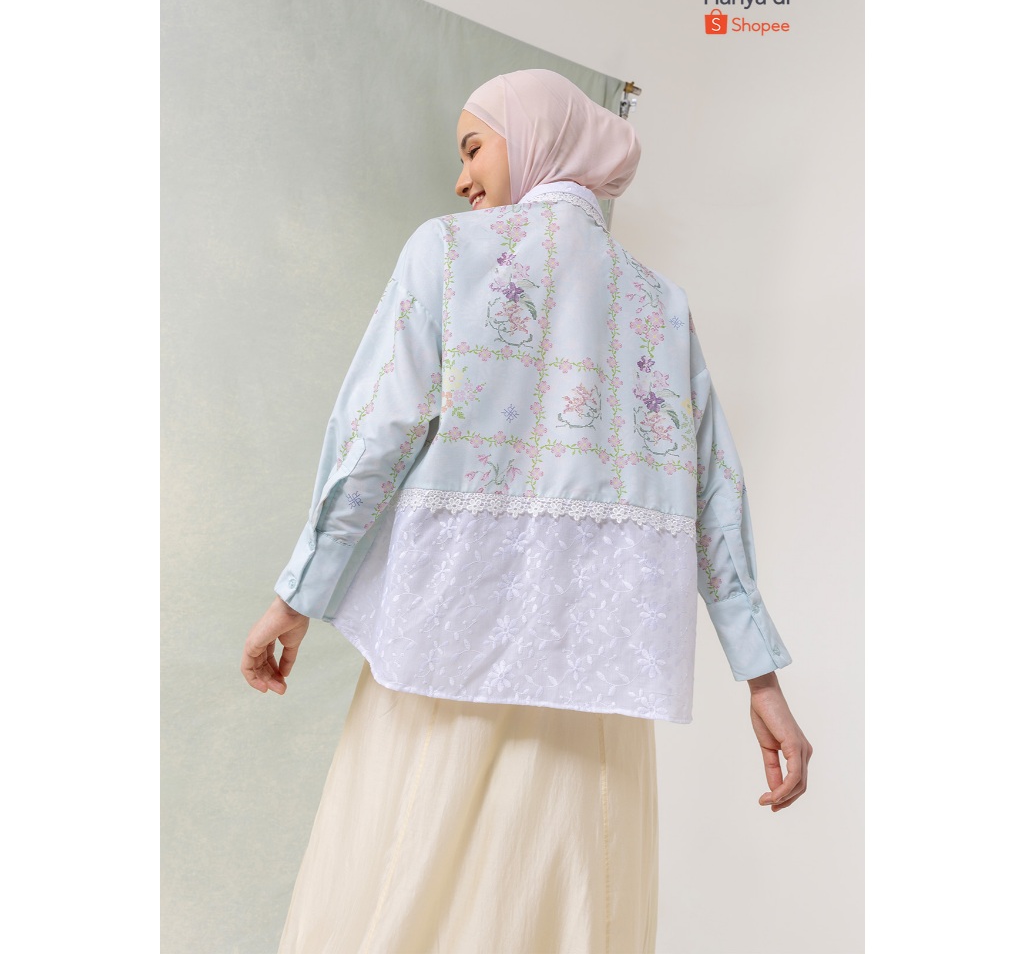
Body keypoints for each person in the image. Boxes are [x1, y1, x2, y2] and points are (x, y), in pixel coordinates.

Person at [242, 69, 811, 953]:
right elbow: (713, 494)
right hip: (599, 685)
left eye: (474, 147)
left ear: (535, 136)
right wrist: (761, 678)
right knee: (568, 909)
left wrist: (296, 595)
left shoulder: (446, 252)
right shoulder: (660, 304)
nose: (461, 178)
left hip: (445, 658)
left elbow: (378, 433)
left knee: (403, 888)